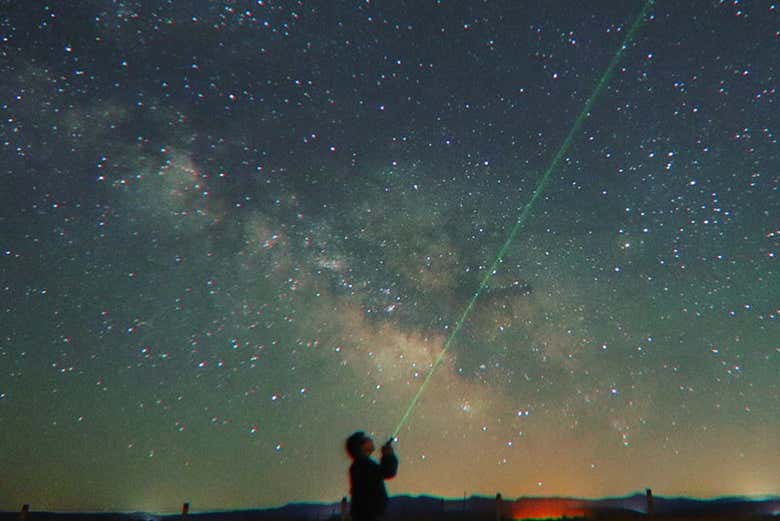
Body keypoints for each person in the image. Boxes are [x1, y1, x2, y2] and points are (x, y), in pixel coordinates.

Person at [345, 431, 399, 521]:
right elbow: (388, 472)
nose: (370, 440)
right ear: (362, 446)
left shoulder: (359, 465)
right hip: (369, 515)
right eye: (367, 439)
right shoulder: (363, 464)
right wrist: (388, 455)